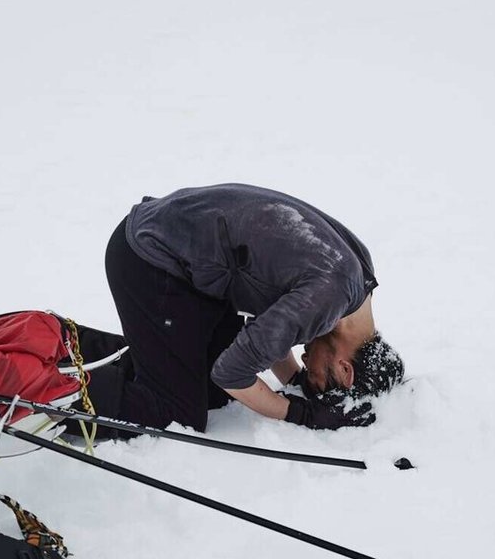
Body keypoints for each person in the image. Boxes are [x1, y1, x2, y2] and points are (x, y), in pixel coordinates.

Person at [80, 183, 404, 434]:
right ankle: (42, 390)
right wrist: (300, 413)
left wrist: (295, 382)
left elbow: (267, 333)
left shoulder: (358, 277)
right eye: (316, 378)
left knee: (212, 390)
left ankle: (64, 344)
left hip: (189, 260)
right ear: (346, 370)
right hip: (151, 257)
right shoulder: (325, 298)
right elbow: (232, 373)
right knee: (175, 413)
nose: (304, 361)